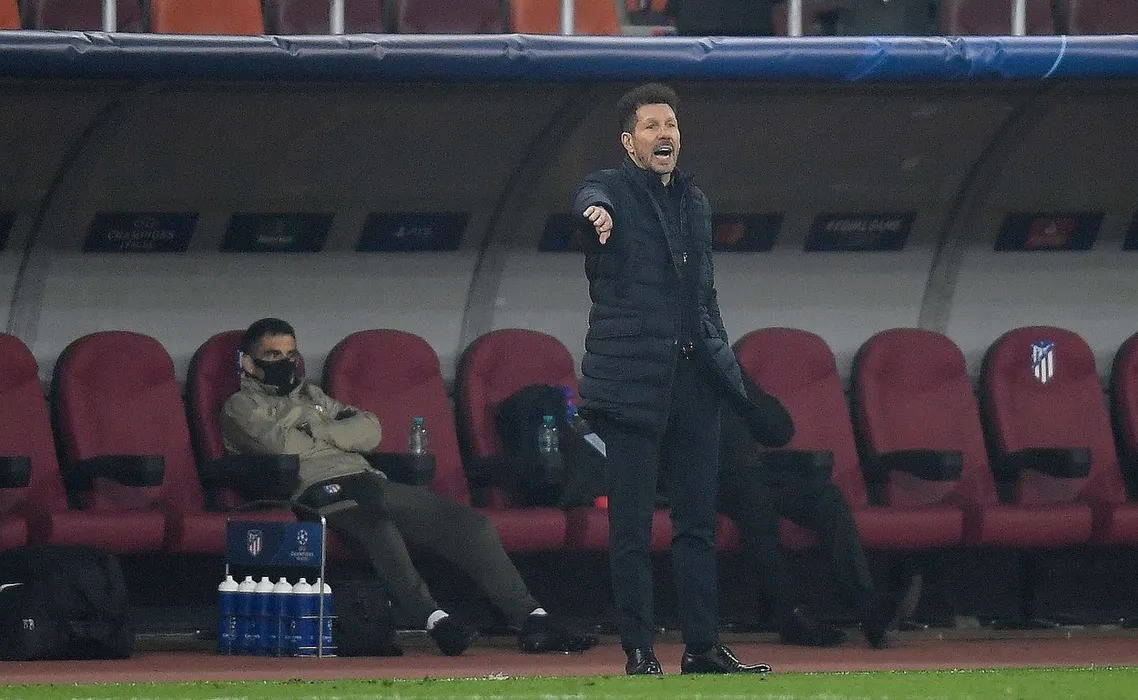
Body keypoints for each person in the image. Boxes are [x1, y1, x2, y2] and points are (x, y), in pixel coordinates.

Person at [573, 83, 794, 676]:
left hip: (694, 382)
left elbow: (705, 294)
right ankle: (639, 650)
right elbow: (591, 198)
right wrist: (595, 216)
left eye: (670, 124)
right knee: (631, 528)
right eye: (651, 126)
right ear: (630, 142)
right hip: (631, 386)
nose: (664, 133)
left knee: (697, 524)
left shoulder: (694, 202)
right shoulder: (609, 190)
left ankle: (702, 647)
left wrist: (723, 363)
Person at [220, 318, 598, 657]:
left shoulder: (314, 397)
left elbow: (370, 431)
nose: (284, 362)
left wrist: (314, 428)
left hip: (367, 479)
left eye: (290, 354)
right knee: (380, 531)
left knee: (470, 525)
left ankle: (533, 617)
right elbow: (282, 446)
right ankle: (435, 620)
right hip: (315, 490)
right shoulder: (241, 406)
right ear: (249, 363)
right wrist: (331, 429)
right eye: (272, 355)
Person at [718, 377, 923, 648]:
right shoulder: (678, 369)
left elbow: (780, 431)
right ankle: (789, 613)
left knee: (826, 497)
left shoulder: (729, 371)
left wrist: (739, 388)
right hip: (700, 479)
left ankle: (867, 605)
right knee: (754, 502)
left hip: (750, 472)